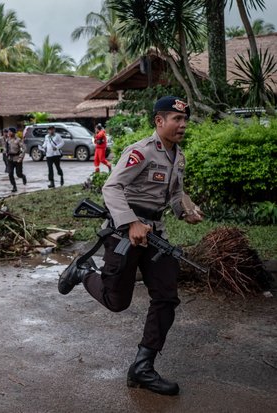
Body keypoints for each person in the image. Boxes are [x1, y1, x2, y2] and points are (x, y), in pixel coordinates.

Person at [58, 96, 204, 396]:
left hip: (155, 235)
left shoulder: (179, 156)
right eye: (177, 119)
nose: (183, 125)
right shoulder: (141, 151)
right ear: (159, 121)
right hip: (123, 233)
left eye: (185, 120)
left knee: (166, 297)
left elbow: (176, 194)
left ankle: (142, 367)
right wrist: (130, 222)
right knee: (117, 301)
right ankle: (83, 270)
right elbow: (111, 187)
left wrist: (187, 211)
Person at [5, 127, 27, 193]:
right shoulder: (7, 140)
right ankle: (14, 186)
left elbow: (24, 149)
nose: (8, 133)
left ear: (13, 133)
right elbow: (6, 148)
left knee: (18, 174)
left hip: (17, 159)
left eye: (10, 132)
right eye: (8, 132)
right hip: (10, 159)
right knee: (10, 173)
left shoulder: (18, 140)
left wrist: (21, 158)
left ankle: (23, 176)